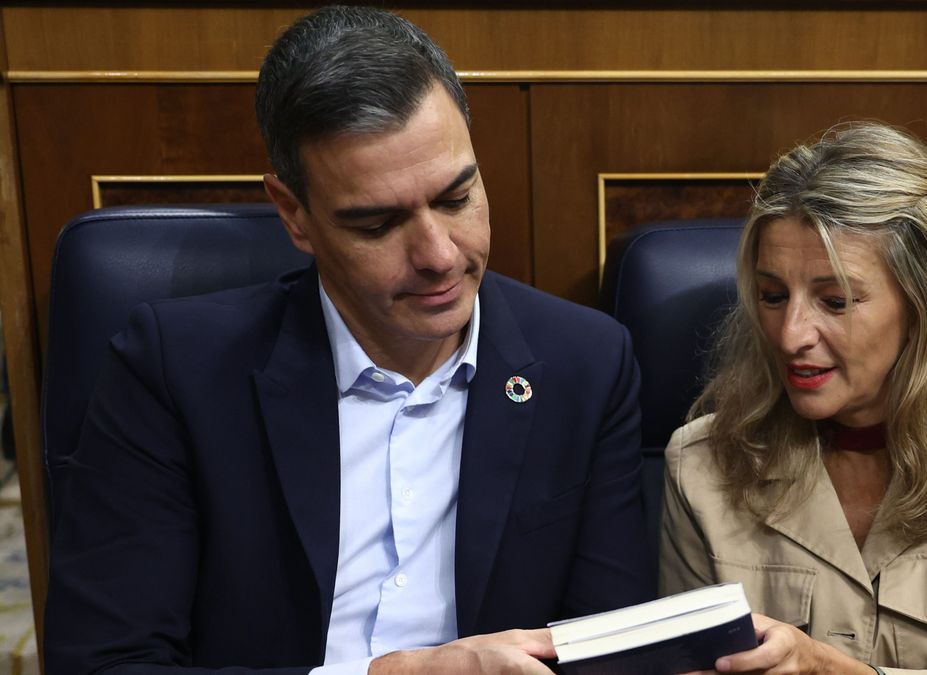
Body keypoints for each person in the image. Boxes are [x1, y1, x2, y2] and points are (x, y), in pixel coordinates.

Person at [45, 6, 653, 674]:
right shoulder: (173, 371)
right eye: (378, 223)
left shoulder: (587, 365)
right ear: (295, 215)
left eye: (456, 198)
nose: (439, 255)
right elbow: (105, 662)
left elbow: (612, 651)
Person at [659, 122, 927, 674]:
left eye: (835, 301)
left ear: (924, 306)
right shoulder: (699, 465)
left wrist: (824, 668)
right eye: (772, 296)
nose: (791, 335)